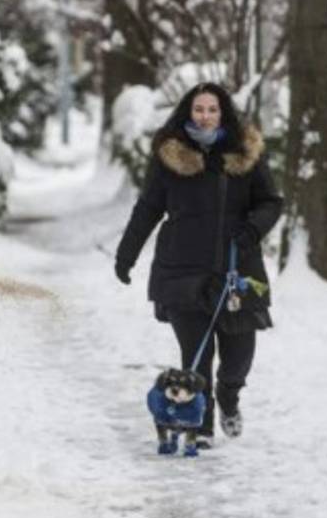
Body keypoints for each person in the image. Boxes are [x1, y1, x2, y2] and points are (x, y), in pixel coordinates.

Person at [114, 82, 283, 446]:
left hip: (238, 270)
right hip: (182, 271)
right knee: (197, 355)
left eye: (212, 109)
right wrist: (126, 255)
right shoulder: (170, 156)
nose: (205, 116)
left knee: (239, 357)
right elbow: (148, 208)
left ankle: (228, 397)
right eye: (198, 109)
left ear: (223, 113)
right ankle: (200, 426)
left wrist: (252, 230)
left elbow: (271, 201)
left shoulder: (245, 154)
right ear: (188, 113)